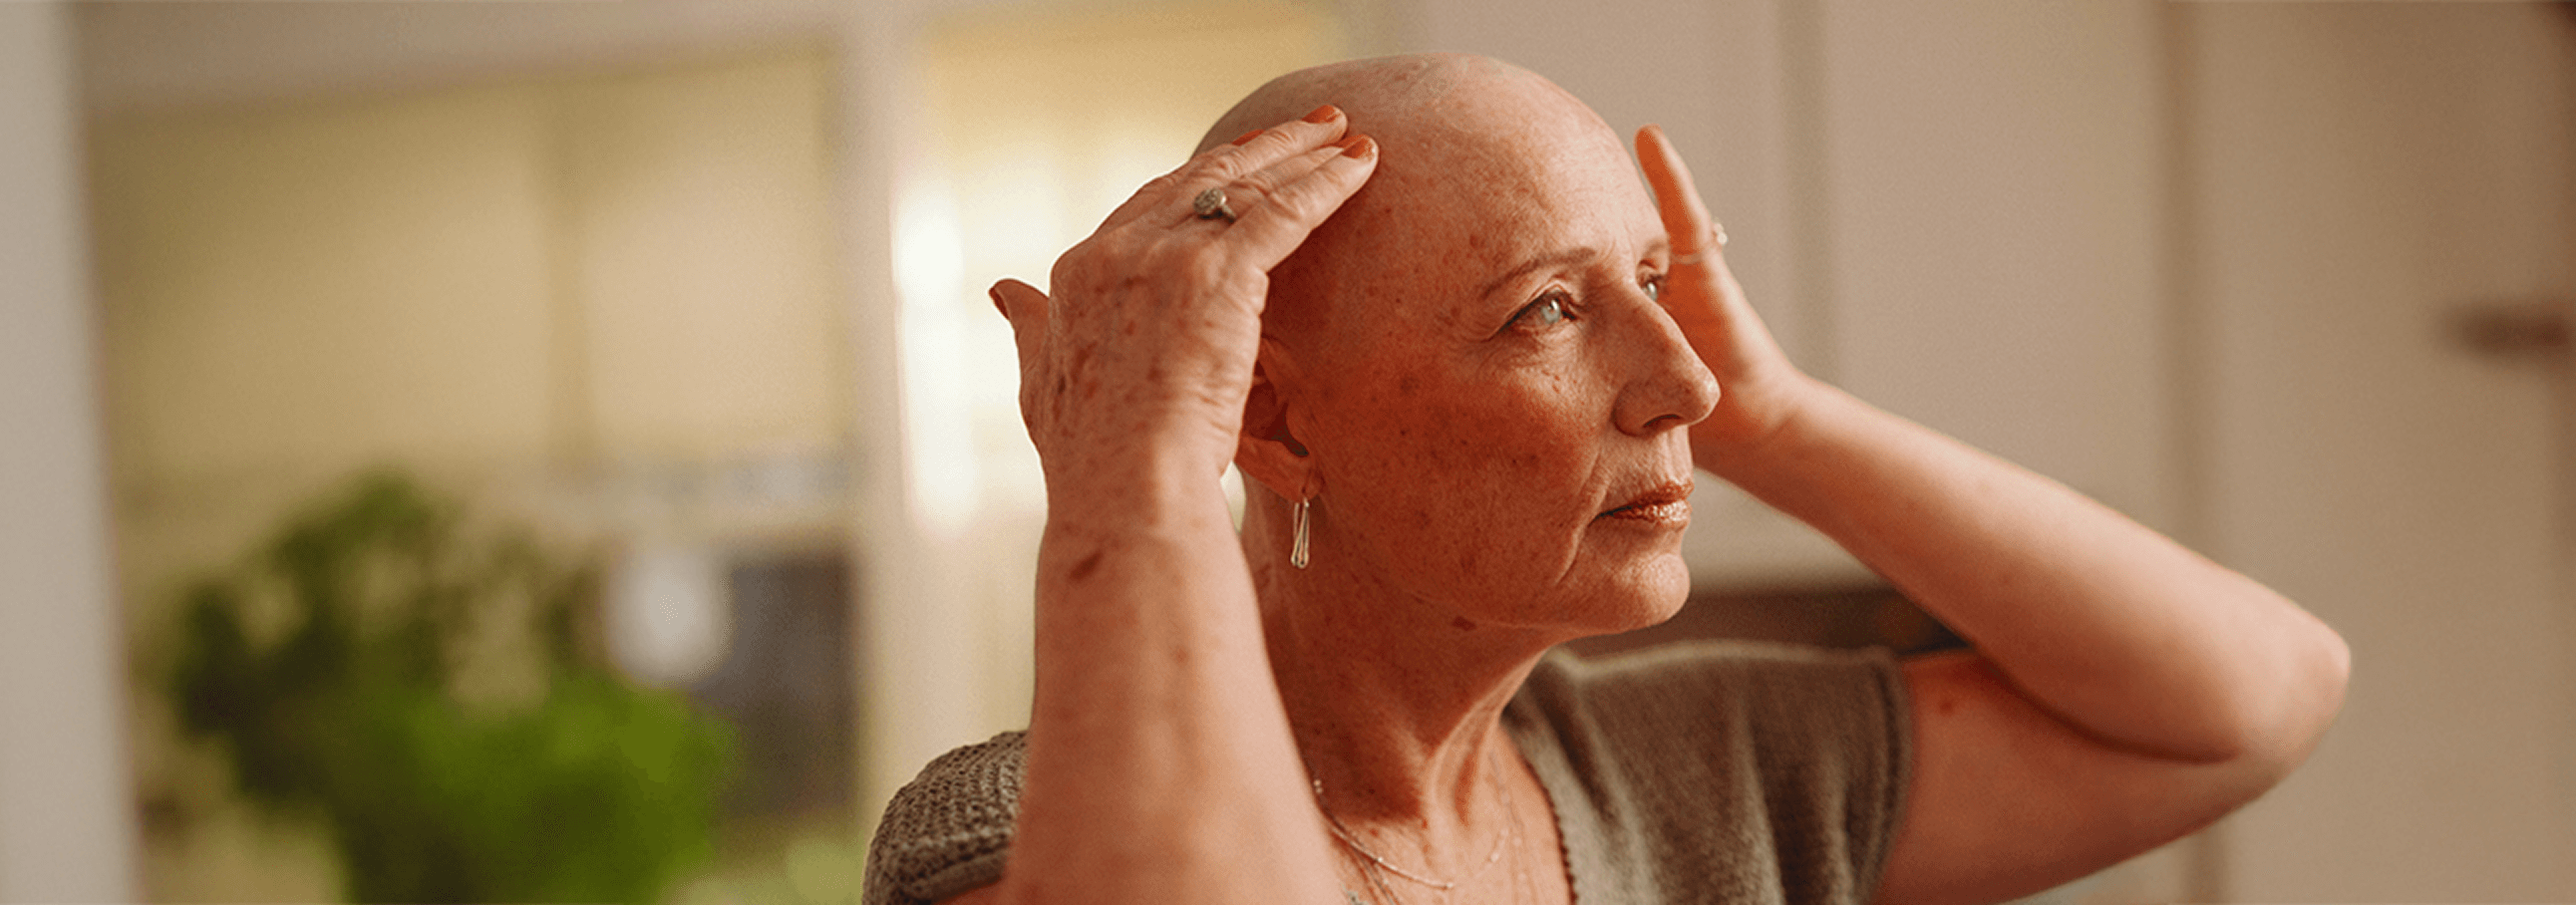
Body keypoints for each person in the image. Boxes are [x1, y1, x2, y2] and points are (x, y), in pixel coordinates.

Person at [865, 53, 2351, 905]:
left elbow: (2255, 698)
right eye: (1548, 310)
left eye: (1652, 280)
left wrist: (1784, 422)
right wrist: (1139, 478)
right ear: (1275, 424)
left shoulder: (1696, 775)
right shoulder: (1011, 835)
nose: (1685, 382)